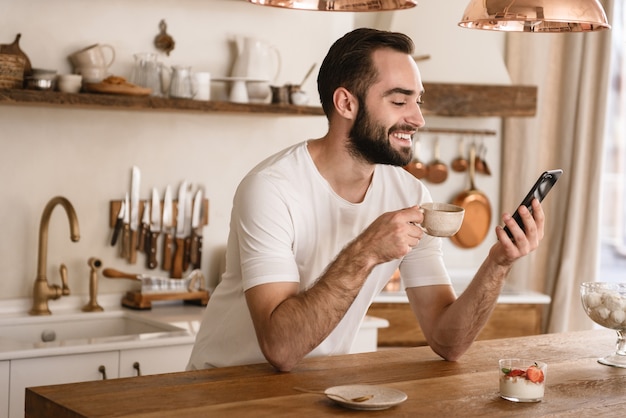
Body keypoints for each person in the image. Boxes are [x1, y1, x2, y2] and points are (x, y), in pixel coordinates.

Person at [187, 28, 544, 372]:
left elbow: (447, 341)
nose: (418, 118)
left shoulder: (409, 194)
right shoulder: (270, 189)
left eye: (418, 101)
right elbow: (280, 348)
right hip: (223, 389)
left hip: (313, 391)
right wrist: (367, 251)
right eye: (400, 101)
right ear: (346, 103)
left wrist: (498, 263)